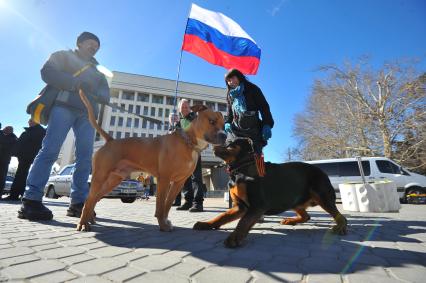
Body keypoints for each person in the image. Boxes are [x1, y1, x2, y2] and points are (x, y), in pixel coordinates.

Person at [18, 32, 110, 221]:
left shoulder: (98, 69)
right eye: (90, 44)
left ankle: (78, 203)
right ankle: (31, 200)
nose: (94, 47)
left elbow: (105, 91)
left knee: (85, 159)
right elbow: (47, 72)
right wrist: (75, 82)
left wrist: (102, 96)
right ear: (79, 43)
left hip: (88, 114)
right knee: (50, 150)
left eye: (97, 46)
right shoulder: (62, 55)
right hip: (63, 106)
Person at [224, 68, 274, 154]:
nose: (231, 82)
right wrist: (227, 123)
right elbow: (230, 113)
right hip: (237, 132)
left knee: (255, 156)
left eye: (233, 78)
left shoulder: (252, 89)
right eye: (228, 80)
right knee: (238, 157)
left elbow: (264, 107)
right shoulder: (230, 95)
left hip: (253, 130)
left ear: (239, 77)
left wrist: (267, 124)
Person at [170, 99, 205, 212]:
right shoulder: (179, 121)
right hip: (182, 154)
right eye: (182, 107)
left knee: (196, 177)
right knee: (185, 177)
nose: (184, 109)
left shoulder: (194, 118)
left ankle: (198, 203)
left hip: (194, 151)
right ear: (179, 109)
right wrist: (173, 129)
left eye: (186, 107)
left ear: (189, 108)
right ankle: (188, 201)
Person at [1, 120, 46, 201]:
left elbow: (37, 145)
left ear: (36, 122)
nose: (28, 122)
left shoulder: (39, 131)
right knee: (21, 175)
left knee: (22, 175)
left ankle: (15, 195)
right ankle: (18, 194)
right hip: (23, 156)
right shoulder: (30, 131)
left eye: (30, 121)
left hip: (28, 156)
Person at [0, 126, 17, 197]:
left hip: (4, 160)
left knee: (2, 177)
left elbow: (15, 149)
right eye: (6, 128)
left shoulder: (13, 138)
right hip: (5, 159)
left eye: (9, 129)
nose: (6, 130)